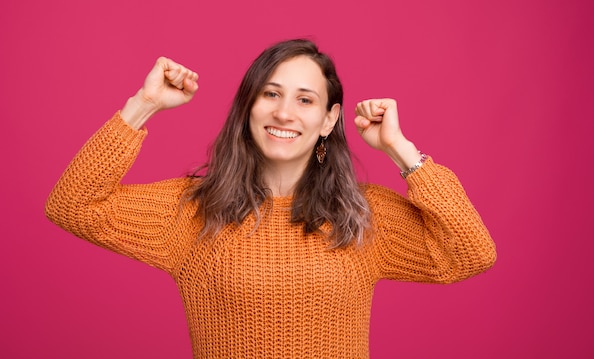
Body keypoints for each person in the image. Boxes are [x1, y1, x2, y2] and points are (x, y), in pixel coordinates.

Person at [45, 39, 496, 358]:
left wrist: (401, 150)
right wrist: (143, 103)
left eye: (305, 100)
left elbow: (471, 254)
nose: (284, 112)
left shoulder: (362, 215)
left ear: (328, 119)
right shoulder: (193, 211)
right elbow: (73, 205)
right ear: (249, 107)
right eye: (271, 94)